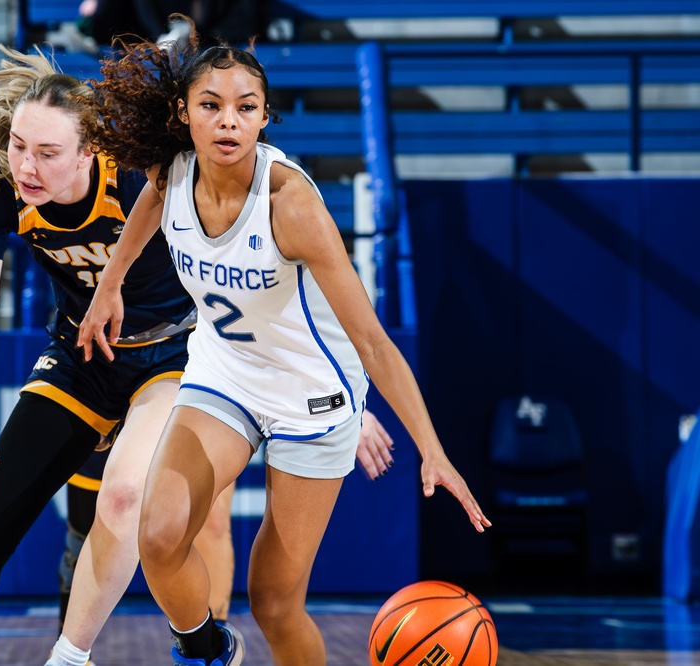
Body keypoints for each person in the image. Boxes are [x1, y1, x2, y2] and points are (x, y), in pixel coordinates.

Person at [77, 20, 491, 666]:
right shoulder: (171, 173)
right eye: (211, 106)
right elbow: (150, 210)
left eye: (245, 108)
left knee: (273, 601)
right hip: (227, 372)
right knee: (157, 536)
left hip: (313, 398)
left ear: (265, 117)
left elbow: (373, 342)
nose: (227, 122)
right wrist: (111, 282)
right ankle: (208, 650)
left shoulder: (290, 204)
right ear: (183, 113)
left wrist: (431, 450)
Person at [0, 44, 230, 666]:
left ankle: (85, 654)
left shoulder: (138, 175)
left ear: (89, 152)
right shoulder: (2, 191)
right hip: (83, 352)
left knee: (122, 498)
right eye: (19, 145)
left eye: (48, 153)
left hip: (174, 354)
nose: (27, 166)